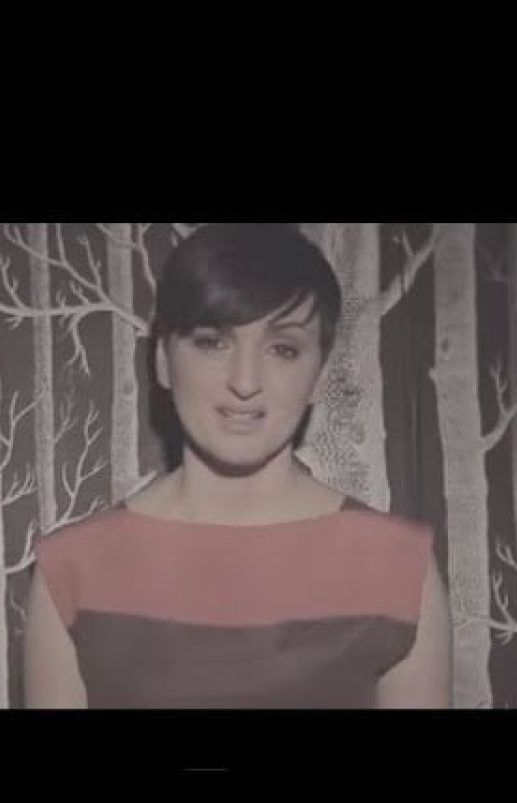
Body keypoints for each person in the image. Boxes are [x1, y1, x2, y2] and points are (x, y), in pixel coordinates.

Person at [23, 223, 451, 708]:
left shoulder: (399, 569)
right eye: (212, 342)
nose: (245, 381)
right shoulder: (72, 571)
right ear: (162, 360)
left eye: (283, 349)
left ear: (318, 375)